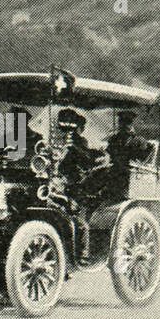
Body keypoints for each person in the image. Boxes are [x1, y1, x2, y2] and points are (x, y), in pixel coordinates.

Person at [56, 107, 103, 261]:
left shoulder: (79, 143)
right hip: (59, 184)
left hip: (75, 186)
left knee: (78, 222)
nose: (67, 131)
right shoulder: (57, 142)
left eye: (71, 127)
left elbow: (87, 160)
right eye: (64, 127)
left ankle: (82, 254)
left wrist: (73, 149)